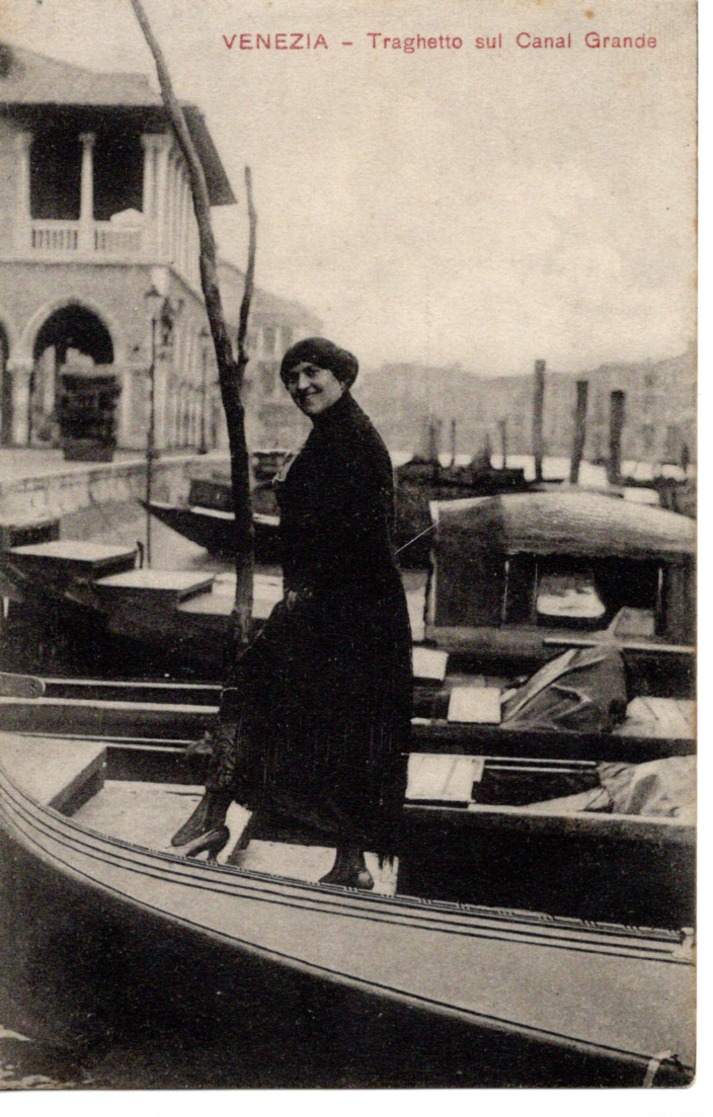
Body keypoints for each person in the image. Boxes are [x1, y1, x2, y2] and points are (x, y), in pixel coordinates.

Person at [171, 337, 413, 889]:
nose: (302, 385)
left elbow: (363, 536)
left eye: (312, 373)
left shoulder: (352, 441)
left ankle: (216, 815)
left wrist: (309, 593)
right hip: (345, 602)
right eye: (291, 378)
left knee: (263, 692)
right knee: (346, 724)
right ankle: (346, 862)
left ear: (342, 375)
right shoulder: (335, 433)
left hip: (349, 606)